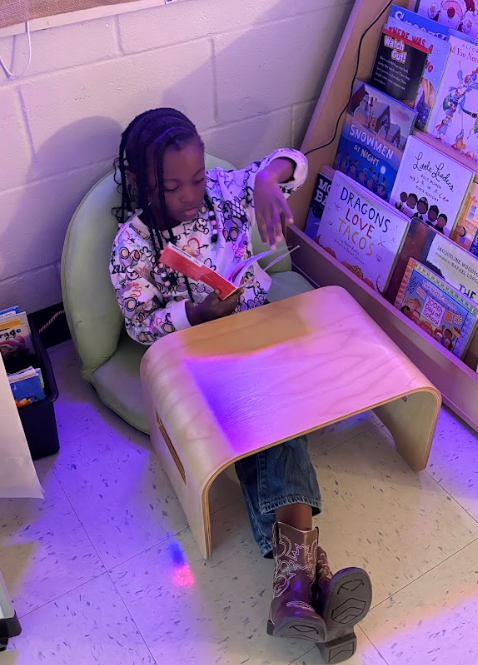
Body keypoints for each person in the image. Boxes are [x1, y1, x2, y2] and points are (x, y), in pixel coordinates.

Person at [109, 108, 372, 662]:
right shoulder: (131, 243)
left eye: (198, 179)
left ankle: (294, 592)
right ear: (139, 183)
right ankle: (308, 580)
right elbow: (138, 322)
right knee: (268, 423)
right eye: (171, 186)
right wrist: (196, 314)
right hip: (198, 359)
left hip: (257, 338)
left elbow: (294, 164)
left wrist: (262, 179)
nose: (190, 195)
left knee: (276, 419)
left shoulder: (224, 193)